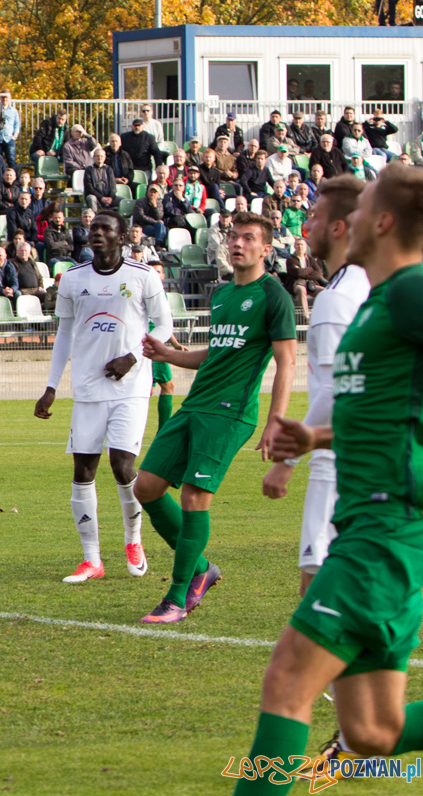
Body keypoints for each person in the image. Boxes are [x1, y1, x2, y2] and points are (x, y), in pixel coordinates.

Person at [236, 165, 423, 791]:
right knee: (373, 731)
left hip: (387, 530)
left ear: (384, 221)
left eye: (364, 203)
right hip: (374, 528)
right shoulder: (380, 297)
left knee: (287, 681)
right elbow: (388, 412)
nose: (347, 216)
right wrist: (314, 437)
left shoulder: (408, 291)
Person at [134, 211, 296, 624]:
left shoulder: (273, 295)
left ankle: (176, 597)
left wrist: (277, 419)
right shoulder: (222, 295)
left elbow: (287, 361)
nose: (238, 244)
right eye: (234, 237)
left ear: (265, 247)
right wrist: (170, 354)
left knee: (193, 496)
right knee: (146, 487)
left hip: (230, 412)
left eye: (248, 238)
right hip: (195, 405)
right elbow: (216, 352)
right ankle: (203, 568)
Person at [34, 212, 173, 584]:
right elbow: (64, 333)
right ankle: (92, 560)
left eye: (105, 229)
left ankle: (133, 541)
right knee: (83, 472)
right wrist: (51, 386)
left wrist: (134, 356)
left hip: (130, 388)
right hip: (88, 389)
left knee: (123, 466)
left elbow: (165, 323)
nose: (97, 233)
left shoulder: (142, 276)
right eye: (93, 228)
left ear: (122, 236)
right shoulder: (74, 278)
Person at [257, 177, 368, 608]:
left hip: (339, 467)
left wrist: (287, 460)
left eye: (315, 216)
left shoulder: (336, 301)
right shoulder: (374, 288)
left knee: (318, 599)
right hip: (378, 463)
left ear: (339, 228)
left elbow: (340, 390)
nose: (306, 225)